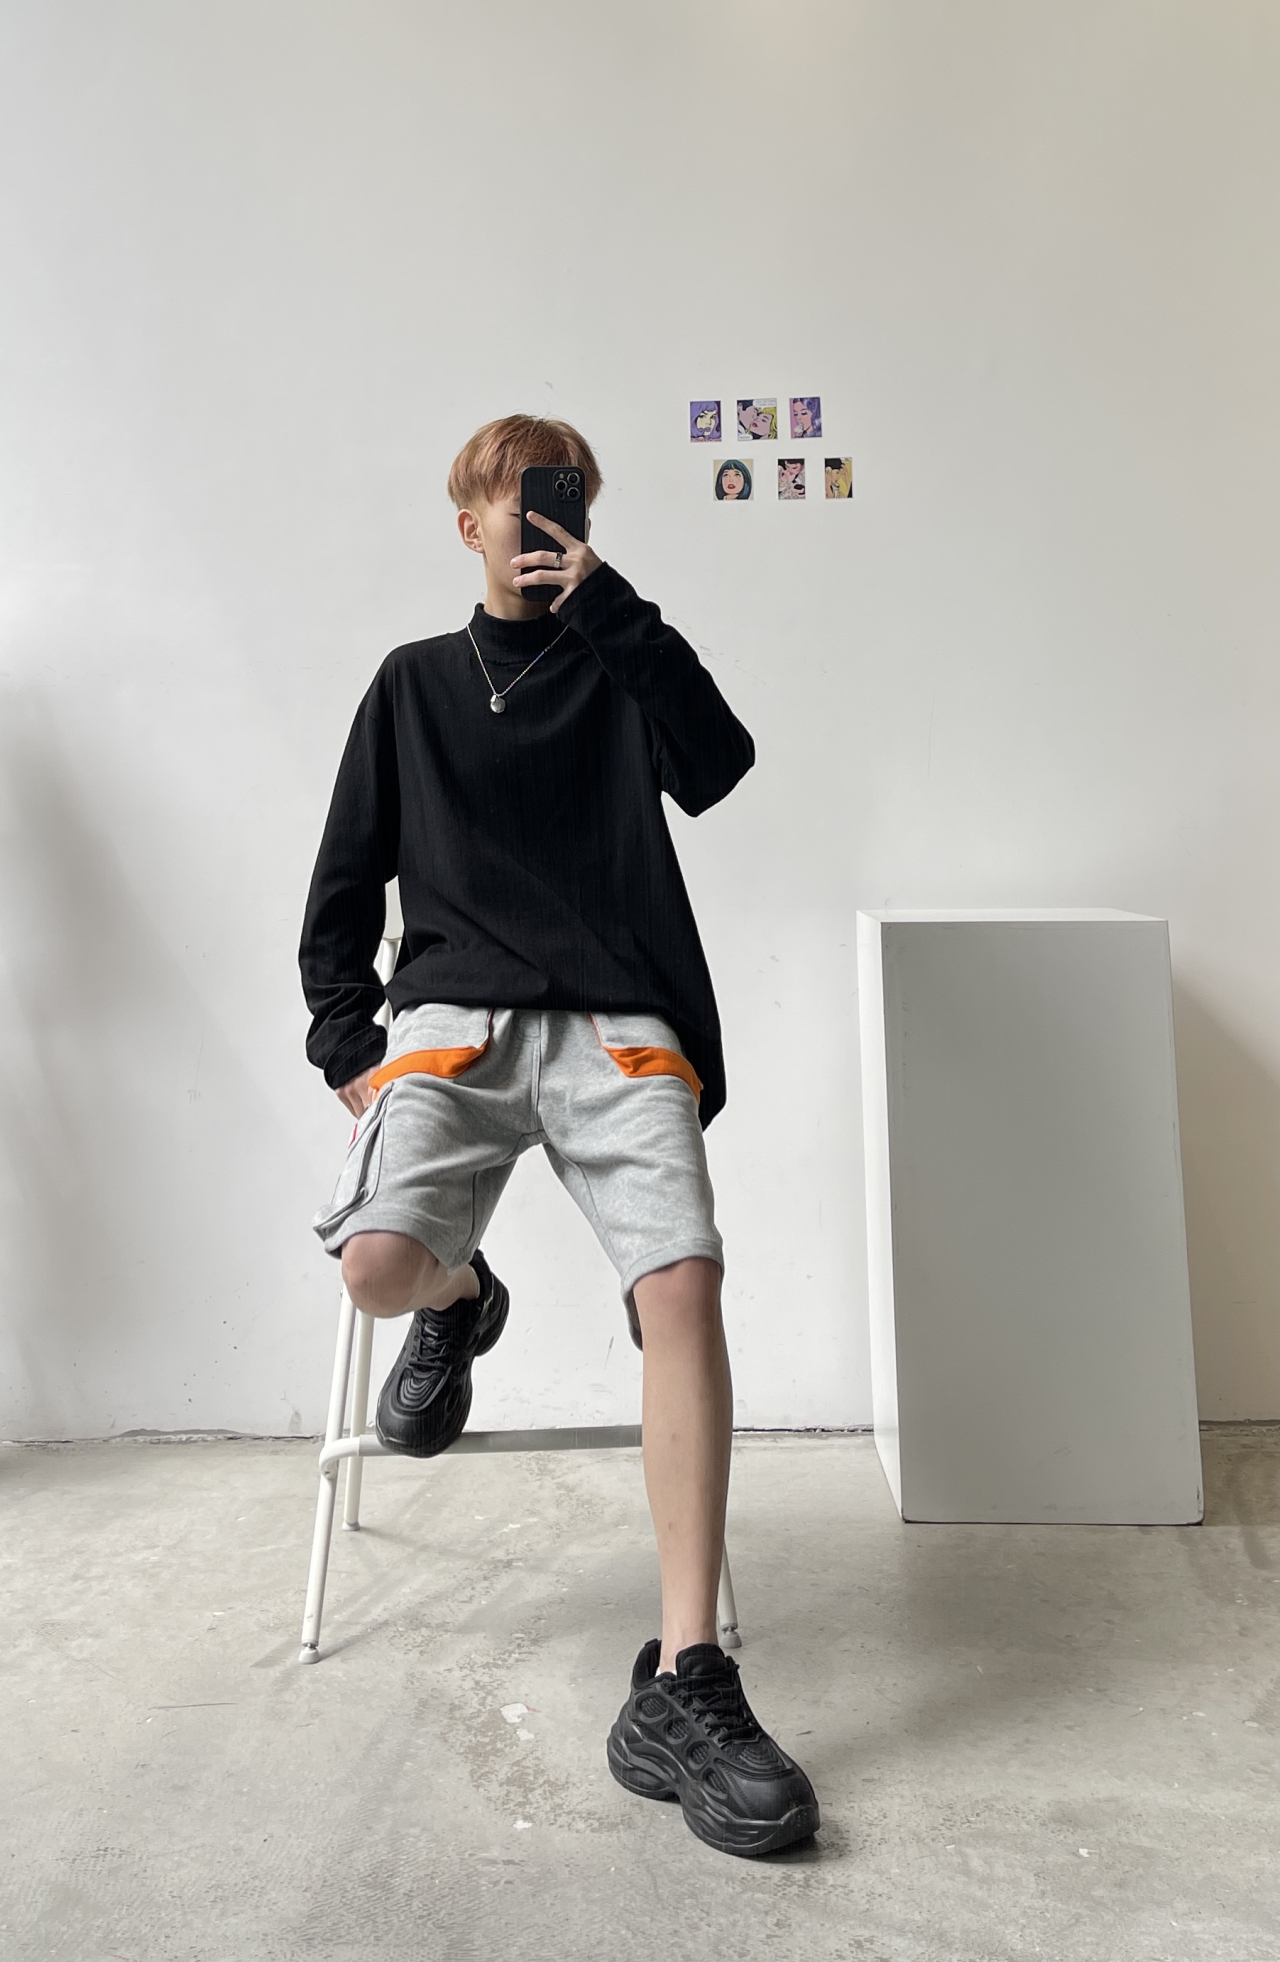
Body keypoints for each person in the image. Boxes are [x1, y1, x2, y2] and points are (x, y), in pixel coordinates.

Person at [299, 413, 819, 1857]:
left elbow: (721, 761)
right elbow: (342, 882)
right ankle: (462, 1297)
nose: (535, 524)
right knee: (376, 1267)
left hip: (615, 1022)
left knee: (684, 1282)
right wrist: (349, 1049)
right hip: (452, 1022)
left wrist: (613, 607)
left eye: (562, 502)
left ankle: (686, 1677)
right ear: (467, 522)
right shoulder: (412, 683)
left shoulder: (616, 661)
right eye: (511, 502)